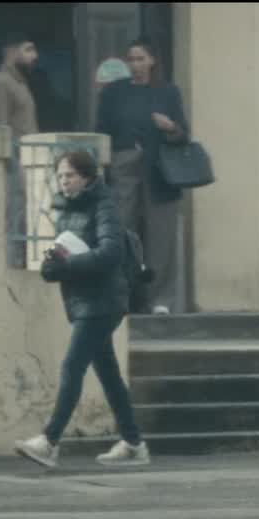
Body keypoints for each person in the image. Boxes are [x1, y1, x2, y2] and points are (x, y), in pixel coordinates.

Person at [14, 149, 150, 469]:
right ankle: (133, 443)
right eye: (60, 175)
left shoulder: (104, 206)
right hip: (84, 301)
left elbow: (111, 253)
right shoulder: (66, 209)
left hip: (103, 301)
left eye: (71, 175)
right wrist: (52, 267)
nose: (64, 181)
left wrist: (68, 265)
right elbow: (64, 257)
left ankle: (49, 441)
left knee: (72, 366)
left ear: (87, 177)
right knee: (109, 374)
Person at [95, 37, 192, 314]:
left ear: (152, 61)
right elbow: (101, 131)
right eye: (131, 59)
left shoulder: (168, 92)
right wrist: (105, 168)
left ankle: (160, 299)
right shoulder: (114, 93)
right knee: (122, 231)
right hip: (123, 166)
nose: (135, 64)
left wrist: (170, 127)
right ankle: (122, 295)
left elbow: (183, 134)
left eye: (140, 59)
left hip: (160, 169)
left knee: (161, 235)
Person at [0, 32, 40, 268]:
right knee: (15, 216)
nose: (34, 56)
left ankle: (22, 263)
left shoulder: (20, 82)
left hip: (29, 161)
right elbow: (0, 127)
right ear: (12, 52)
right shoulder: (1, 83)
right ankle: (11, 267)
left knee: (27, 216)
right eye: (28, 50)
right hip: (15, 161)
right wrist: (12, 162)